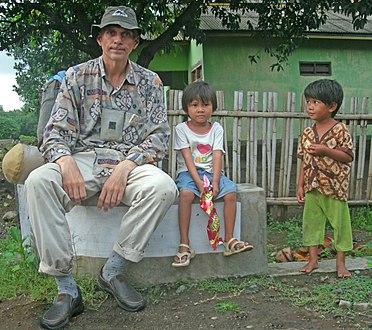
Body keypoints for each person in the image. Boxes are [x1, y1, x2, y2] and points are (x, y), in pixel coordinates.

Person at [24, 6, 178, 329]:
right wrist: (65, 161)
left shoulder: (150, 82)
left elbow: (160, 137)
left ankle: (113, 270)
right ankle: (66, 289)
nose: (118, 40)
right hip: (83, 157)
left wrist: (125, 167)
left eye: (126, 35)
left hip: (129, 161)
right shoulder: (76, 77)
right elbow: (54, 132)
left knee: (163, 188)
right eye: (112, 33)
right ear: (100, 38)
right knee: (38, 182)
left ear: (135, 42)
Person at [171, 81, 253, 267]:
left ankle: (230, 240)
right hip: (188, 173)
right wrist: (199, 184)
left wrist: (215, 182)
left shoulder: (216, 128)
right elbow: (187, 158)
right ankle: (184, 244)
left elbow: (217, 155)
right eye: (195, 105)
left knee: (230, 192)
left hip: (212, 172)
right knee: (185, 194)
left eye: (205, 105)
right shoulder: (181, 129)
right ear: (186, 108)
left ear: (213, 107)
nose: (200, 110)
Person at [296, 79, 354, 278]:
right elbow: (304, 160)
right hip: (312, 186)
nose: (310, 106)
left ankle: (341, 263)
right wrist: (300, 185)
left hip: (335, 187)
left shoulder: (340, 130)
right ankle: (313, 260)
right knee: (311, 223)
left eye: (316, 102)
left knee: (340, 224)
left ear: (331, 106)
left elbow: (347, 156)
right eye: (308, 101)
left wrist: (326, 151)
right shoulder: (306, 133)